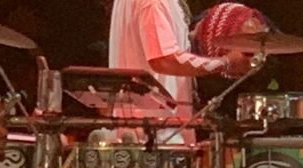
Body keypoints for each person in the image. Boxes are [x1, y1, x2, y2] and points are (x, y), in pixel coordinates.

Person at [108, 0, 260, 140]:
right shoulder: (156, 2)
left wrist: (194, 37)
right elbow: (164, 59)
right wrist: (225, 63)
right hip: (156, 134)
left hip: (146, 128)